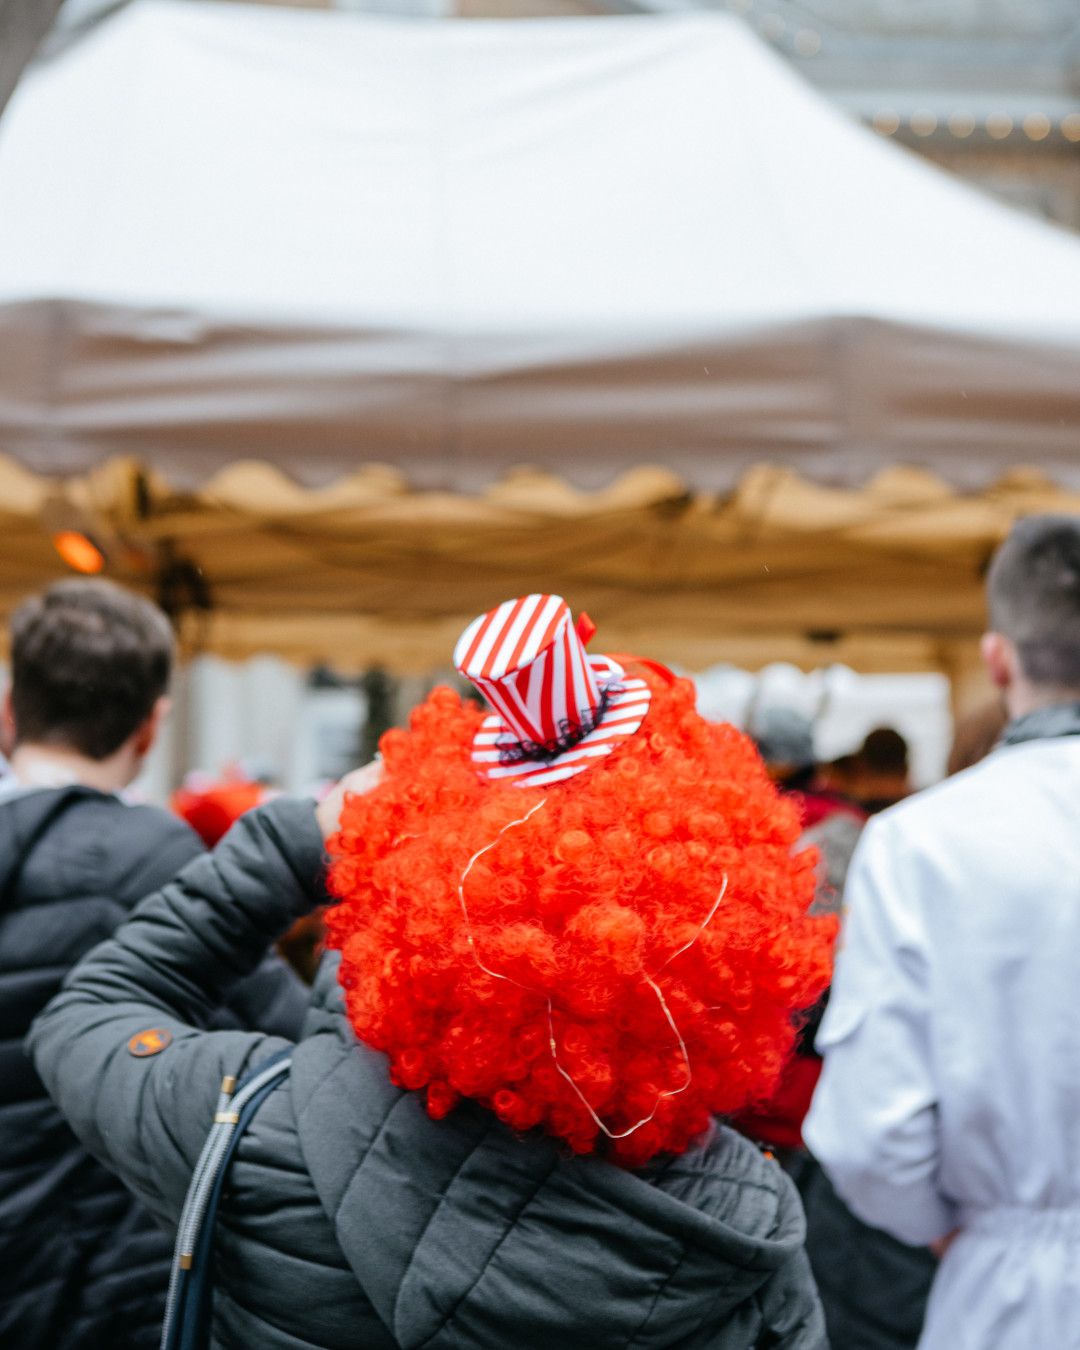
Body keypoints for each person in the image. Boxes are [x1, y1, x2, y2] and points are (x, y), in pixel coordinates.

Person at [31, 594, 834, 1348]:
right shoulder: (748, 1230)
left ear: (410, 872)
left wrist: (297, 844)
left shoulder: (256, 1130)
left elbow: (89, 1012)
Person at [0, 578, 306, 1350]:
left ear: (9, 710)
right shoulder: (148, 854)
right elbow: (290, 1038)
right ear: (150, 725)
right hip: (93, 1254)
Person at [804, 514, 1080, 1350]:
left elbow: (872, 1135)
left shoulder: (922, 842)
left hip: (1009, 1295)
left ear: (997, 661)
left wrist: (963, 1226)